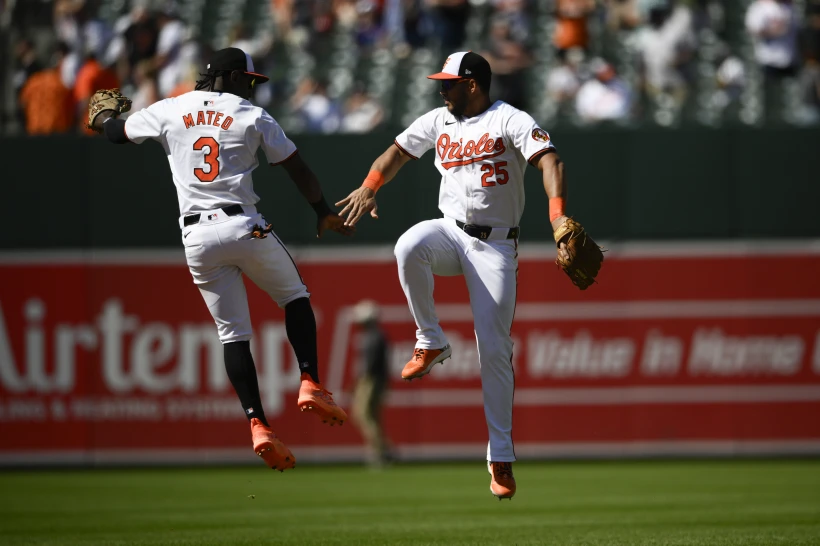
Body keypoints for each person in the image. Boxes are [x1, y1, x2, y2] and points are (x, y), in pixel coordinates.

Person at [89, 47, 352, 472]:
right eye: (248, 80)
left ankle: (258, 425)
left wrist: (101, 117)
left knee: (233, 336)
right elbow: (297, 168)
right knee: (295, 296)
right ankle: (310, 382)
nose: (251, 87)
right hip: (241, 224)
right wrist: (322, 210)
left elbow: (115, 131)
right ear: (227, 77)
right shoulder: (251, 115)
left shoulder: (170, 109)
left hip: (196, 237)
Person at [336, 51, 574, 500]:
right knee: (407, 245)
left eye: (448, 83)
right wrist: (370, 186)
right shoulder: (438, 121)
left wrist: (558, 219)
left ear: (472, 84)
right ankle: (431, 339)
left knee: (495, 350)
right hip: (450, 231)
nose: (440, 90)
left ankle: (500, 457)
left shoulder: (510, 119)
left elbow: (550, 161)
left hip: (495, 245)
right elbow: (397, 153)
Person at [350, 300, 392, 467]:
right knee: (370, 416)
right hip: (373, 380)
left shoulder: (375, 336)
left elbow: (370, 365)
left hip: (371, 380)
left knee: (364, 415)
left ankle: (381, 450)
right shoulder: (374, 335)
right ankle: (381, 449)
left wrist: (358, 382)